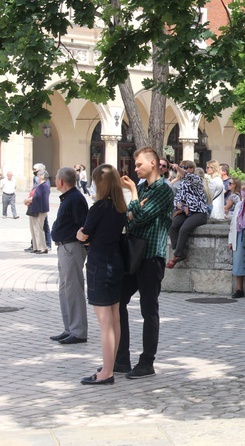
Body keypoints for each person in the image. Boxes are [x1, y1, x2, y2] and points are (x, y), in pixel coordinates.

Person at [117, 146, 174, 379]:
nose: (135, 168)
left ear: (153, 163)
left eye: (139, 164)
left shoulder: (163, 190)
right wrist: (135, 202)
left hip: (151, 256)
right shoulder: (142, 188)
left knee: (148, 309)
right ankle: (121, 359)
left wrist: (132, 192)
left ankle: (147, 361)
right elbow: (128, 218)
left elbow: (137, 216)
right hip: (134, 255)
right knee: (118, 300)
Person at [77, 165, 127, 385]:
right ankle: (110, 365)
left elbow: (84, 234)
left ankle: (107, 371)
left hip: (99, 263)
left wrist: (81, 234)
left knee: (105, 321)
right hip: (115, 262)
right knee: (114, 317)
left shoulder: (99, 207)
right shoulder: (120, 207)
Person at [49, 167, 89, 345]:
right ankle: (69, 328)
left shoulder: (75, 198)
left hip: (72, 248)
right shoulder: (69, 197)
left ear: (61, 181)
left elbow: (83, 224)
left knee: (73, 289)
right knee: (65, 289)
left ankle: (78, 331)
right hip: (64, 247)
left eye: (56, 178)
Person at [166, 161, 209, 268]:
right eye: (181, 167)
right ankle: (179, 251)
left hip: (199, 212)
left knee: (184, 229)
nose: (182, 169)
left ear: (191, 169)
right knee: (172, 226)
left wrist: (178, 168)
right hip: (185, 212)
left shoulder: (196, 179)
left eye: (185, 167)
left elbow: (187, 176)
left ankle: (176, 256)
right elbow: (176, 200)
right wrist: (181, 206)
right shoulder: (181, 184)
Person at [25, 170, 51, 254]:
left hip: (40, 209)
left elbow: (37, 197)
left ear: (43, 176)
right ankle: (36, 247)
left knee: (39, 229)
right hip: (35, 209)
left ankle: (42, 248)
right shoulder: (40, 185)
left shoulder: (44, 185)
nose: (37, 176)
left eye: (39, 175)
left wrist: (26, 200)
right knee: (34, 229)